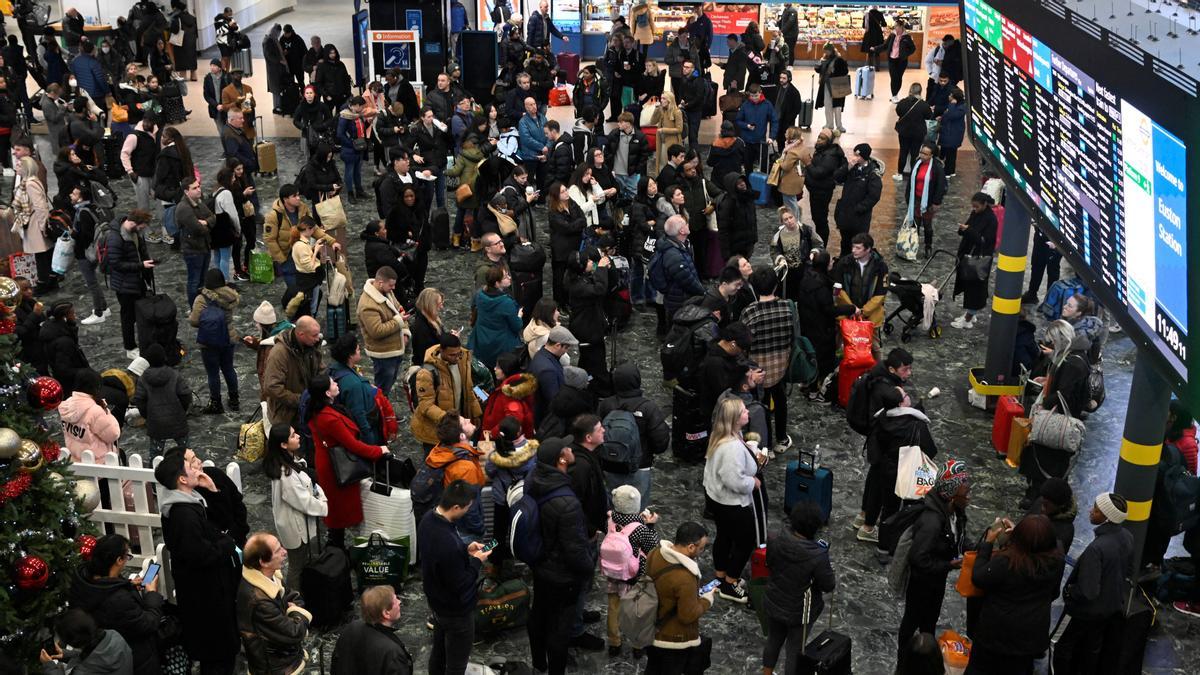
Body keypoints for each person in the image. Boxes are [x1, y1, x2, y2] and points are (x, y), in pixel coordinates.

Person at [155, 451, 241, 674]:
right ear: (182, 479)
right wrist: (226, 544)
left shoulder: (190, 501)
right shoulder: (183, 514)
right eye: (191, 464)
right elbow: (200, 554)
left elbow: (220, 523)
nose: (198, 466)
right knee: (218, 658)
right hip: (206, 600)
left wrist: (212, 489)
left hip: (210, 594)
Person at [525, 437, 597, 675]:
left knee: (539, 613)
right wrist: (589, 568)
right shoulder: (567, 502)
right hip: (563, 575)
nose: (571, 448)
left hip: (539, 563)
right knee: (559, 628)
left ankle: (538, 663)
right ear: (562, 459)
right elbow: (575, 550)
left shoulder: (532, 480)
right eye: (567, 448)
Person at [965, 514, 1065, 674]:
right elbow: (1054, 593)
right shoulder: (1057, 560)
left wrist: (987, 544)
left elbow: (979, 578)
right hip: (1030, 637)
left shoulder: (1007, 561)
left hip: (996, 635)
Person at [305, 373, 390, 548]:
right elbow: (354, 445)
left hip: (328, 461)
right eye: (332, 383)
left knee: (336, 511)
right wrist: (378, 450)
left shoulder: (318, 410)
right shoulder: (329, 418)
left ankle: (336, 545)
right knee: (337, 512)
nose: (336, 383)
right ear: (327, 394)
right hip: (336, 467)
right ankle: (336, 549)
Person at [1054, 493, 1135, 674]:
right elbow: (1127, 571)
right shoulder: (1128, 536)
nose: (1091, 511)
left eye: (1096, 510)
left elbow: (1088, 591)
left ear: (1106, 518)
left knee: (1059, 645)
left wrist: (1070, 593)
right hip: (1108, 609)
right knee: (1091, 650)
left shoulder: (1096, 548)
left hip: (1081, 611)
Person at [896, 460, 970, 655]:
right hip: (922, 584)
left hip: (936, 582)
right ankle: (904, 660)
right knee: (912, 621)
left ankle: (924, 660)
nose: (969, 496)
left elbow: (960, 539)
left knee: (929, 623)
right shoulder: (932, 522)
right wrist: (948, 565)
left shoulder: (955, 513)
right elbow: (918, 558)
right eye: (965, 493)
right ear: (952, 496)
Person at [67, 534, 164, 675]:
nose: (127, 560)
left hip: (102, 655)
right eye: (127, 556)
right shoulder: (118, 600)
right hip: (132, 659)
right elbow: (148, 624)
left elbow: (104, 588)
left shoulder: (84, 581)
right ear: (118, 560)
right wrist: (152, 594)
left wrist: (127, 584)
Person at [761, 502, 836, 675]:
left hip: (774, 601)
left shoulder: (774, 539)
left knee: (773, 640)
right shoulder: (818, 555)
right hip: (800, 613)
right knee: (794, 652)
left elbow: (770, 564)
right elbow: (829, 585)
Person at [857, 385, 937, 544]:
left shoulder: (881, 417)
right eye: (906, 395)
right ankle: (889, 542)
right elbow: (930, 450)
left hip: (883, 468)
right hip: (904, 472)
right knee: (899, 509)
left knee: (887, 506)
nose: (908, 396)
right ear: (901, 404)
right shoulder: (915, 424)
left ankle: (878, 540)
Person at [1020, 320, 1089, 502]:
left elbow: (1063, 394)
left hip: (1055, 421)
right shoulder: (1078, 357)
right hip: (1062, 420)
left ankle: (1038, 496)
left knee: (1043, 461)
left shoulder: (1071, 363)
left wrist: (1045, 404)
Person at [263, 423, 327, 593]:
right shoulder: (286, 475)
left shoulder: (287, 461)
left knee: (299, 562)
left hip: (294, 523)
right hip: (295, 527)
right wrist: (324, 505)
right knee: (296, 566)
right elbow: (304, 501)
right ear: (283, 445)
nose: (298, 436)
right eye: (292, 435)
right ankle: (295, 602)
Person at [236, 532, 312, 674]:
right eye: (278, 550)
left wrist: (294, 611)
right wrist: (296, 612)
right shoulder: (259, 601)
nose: (284, 552)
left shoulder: (269, 576)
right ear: (263, 562)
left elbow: (293, 596)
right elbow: (294, 632)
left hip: (283, 657)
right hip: (275, 667)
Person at [644, 521, 715, 671]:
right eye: (701, 548)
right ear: (691, 547)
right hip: (673, 639)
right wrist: (706, 600)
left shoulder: (655, 553)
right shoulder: (685, 578)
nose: (702, 552)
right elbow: (687, 616)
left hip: (649, 627)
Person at [597, 361, 670, 504]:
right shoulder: (648, 407)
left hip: (610, 463)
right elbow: (661, 443)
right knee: (637, 506)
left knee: (612, 502)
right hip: (640, 466)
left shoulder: (606, 405)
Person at [740, 267, 796, 451]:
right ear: (776, 285)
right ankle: (781, 438)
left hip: (757, 368)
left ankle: (766, 445)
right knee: (780, 400)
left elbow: (744, 341)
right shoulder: (788, 308)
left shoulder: (750, 312)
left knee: (760, 406)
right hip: (781, 364)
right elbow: (793, 336)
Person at [604, 485, 662, 657]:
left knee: (613, 608)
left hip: (613, 574)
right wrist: (650, 525)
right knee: (638, 611)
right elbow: (653, 546)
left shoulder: (609, 519)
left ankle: (614, 642)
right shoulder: (640, 528)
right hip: (634, 576)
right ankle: (637, 645)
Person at [411, 334, 483, 452]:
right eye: (452, 355)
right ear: (442, 351)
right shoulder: (426, 373)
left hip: (457, 424)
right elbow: (426, 405)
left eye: (458, 353)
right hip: (436, 430)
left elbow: (468, 388)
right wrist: (451, 420)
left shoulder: (462, 359)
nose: (456, 358)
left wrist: (475, 412)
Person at [104, 210, 155, 359]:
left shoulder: (134, 232)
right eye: (141, 227)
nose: (142, 230)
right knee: (127, 317)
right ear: (134, 223)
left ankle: (143, 342)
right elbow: (116, 264)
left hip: (136, 280)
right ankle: (130, 347)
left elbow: (139, 251)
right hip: (124, 285)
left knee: (139, 314)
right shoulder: (115, 238)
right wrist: (140, 266)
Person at [330, 585, 414, 674]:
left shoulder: (351, 628)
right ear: (386, 613)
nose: (399, 602)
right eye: (395, 600)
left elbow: (336, 664)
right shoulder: (392, 652)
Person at [263, 316, 325, 428]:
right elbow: (272, 387)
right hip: (286, 416)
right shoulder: (279, 353)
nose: (318, 338)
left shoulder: (311, 346)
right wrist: (302, 399)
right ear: (301, 334)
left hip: (306, 410)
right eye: (314, 335)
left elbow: (320, 369)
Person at [130, 343, 191, 452]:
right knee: (186, 453)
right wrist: (182, 410)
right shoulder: (174, 375)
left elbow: (139, 400)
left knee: (155, 456)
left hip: (155, 423)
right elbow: (185, 395)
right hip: (177, 419)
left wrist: (147, 415)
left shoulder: (143, 379)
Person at [951, 192, 998, 329]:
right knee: (970, 287)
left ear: (984, 204)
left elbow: (984, 241)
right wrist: (964, 229)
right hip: (968, 257)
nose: (974, 209)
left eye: (976, 207)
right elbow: (968, 229)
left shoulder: (991, 220)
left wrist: (969, 230)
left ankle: (968, 318)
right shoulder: (976, 214)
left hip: (979, 260)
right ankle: (971, 313)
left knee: (975, 289)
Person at [39, 609, 132, 674]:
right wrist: (67, 654)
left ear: (73, 642)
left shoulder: (82, 672)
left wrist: (49, 666)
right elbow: (97, 654)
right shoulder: (114, 635)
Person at [468, 265, 524, 369]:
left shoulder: (480, 295)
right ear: (497, 283)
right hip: (501, 345)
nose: (509, 278)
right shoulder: (506, 303)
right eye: (505, 277)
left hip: (482, 340)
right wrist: (519, 316)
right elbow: (516, 326)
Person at [833, 143, 883, 257]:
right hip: (845, 213)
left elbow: (874, 196)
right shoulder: (851, 167)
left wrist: (859, 208)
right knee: (845, 243)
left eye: (857, 155)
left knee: (858, 243)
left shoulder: (872, 174)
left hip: (859, 217)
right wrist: (847, 168)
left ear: (864, 157)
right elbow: (837, 177)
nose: (854, 157)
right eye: (854, 154)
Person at [12, 156, 52, 292]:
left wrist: (43, 226)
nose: (16, 168)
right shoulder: (31, 181)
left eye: (19, 166)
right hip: (34, 220)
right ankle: (48, 280)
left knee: (40, 254)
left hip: (35, 222)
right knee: (42, 253)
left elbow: (40, 206)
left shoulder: (29, 184)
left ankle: (43, 282)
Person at [833, 232, 889, 328]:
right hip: (847, 313)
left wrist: (863, 312)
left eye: (858, 248)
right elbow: (839, 289)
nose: (853, 250)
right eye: (853, 247)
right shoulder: (844, 263)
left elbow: (881, 293)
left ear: (868, 249)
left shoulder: (880, 266)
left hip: (871, 316)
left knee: (871, 342)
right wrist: (852, 309)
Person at [803, 128, 845, 246]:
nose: (819, 140)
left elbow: (819, 173)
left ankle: (822, 246)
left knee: (820, 220)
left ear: (829, 141)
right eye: (819, 137)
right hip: (816, 190)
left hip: (822, 192)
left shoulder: (831, 155)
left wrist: (808, 164)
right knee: (817, 219)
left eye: (822, 138)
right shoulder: (823, 150)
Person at [547, 181, 587, 306]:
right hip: (561, 250)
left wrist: (575, 225)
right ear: (556, 195)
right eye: (563, 191)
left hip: (575, 245)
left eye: (566, 190)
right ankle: (560, 303)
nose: (566, 193)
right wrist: (577, 224)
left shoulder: (571, 203)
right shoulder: (553, 212)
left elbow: (583, 220)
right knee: (559, 278)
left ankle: (569, 300)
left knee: (572, 274)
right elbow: (567, 228)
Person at [529, 326, 577, 424]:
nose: (566, 351)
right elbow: (554, 401)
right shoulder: (548, 370)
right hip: (547, 420)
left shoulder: (541, 354)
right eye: (566, 348)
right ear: (558, 345)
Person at [894, 83, 933, 180]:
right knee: (915, 153)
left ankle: (899, 173)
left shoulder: (902, 102)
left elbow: (898, 112)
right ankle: (913, 174)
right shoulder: (923, 105)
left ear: (910, 90)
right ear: (920, 92)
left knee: (903, 152)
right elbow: (928, 116)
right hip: (918, 133)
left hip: (904, 132)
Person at [336, 95, 369, 199]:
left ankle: (359, 191)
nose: (363, 109)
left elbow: (362, 128)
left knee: (357, 171)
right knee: (349, 171)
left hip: (359, 147)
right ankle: (350, 193)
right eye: (362, 106)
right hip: (349, 149)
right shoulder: (345, 116)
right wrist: (352, 144)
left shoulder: (358, 115)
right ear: (357, 105)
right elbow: (340, 134)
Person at [815, 43, 849, 132]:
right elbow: (818, 70)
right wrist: (818, 65)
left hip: (837, 85)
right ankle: (829, 124)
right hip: (826, 85)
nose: (825, 52)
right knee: (827, 105)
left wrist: (834, 72)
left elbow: (845, 71)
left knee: (837, 106)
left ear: (831, 50)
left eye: (826, 50)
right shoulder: (824, 59)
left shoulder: (839, 60)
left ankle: (839, 125)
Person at [882, 21, 916, 101]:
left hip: (901, 61)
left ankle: (895, 94)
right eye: (894, 26)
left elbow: (913, 48)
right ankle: (894, 95)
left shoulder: (907, 37)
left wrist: (905, 54)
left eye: (896, 26)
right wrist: (875, 48)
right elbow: (885, 45)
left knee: (899, 78)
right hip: (891, 59)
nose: (895, 28)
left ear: (901, 27)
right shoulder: (892, 35)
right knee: (894, 78)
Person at [677, 60, 708, 149]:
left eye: (687, 67)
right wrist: (681, 101)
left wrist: (687, 104)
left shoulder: (699, 80)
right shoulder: (683, 79)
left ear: (693, 69)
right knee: (681, 133)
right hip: (685, 110)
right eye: (684, 66)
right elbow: (680, 93)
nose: (684, 69)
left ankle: (694, 155)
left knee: (693, 135)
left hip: (695, 111)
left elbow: (699, 97)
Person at [937, 89, 966, 177]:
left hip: (952, 135)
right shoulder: (957, 106)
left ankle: (948, 172)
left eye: (951, 95)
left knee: (950, 155)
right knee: (950, 153)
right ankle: (951, 170)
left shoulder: (960, 108)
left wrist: (952, 104)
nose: (949, 96)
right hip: (949, 134)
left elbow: (952, 115)